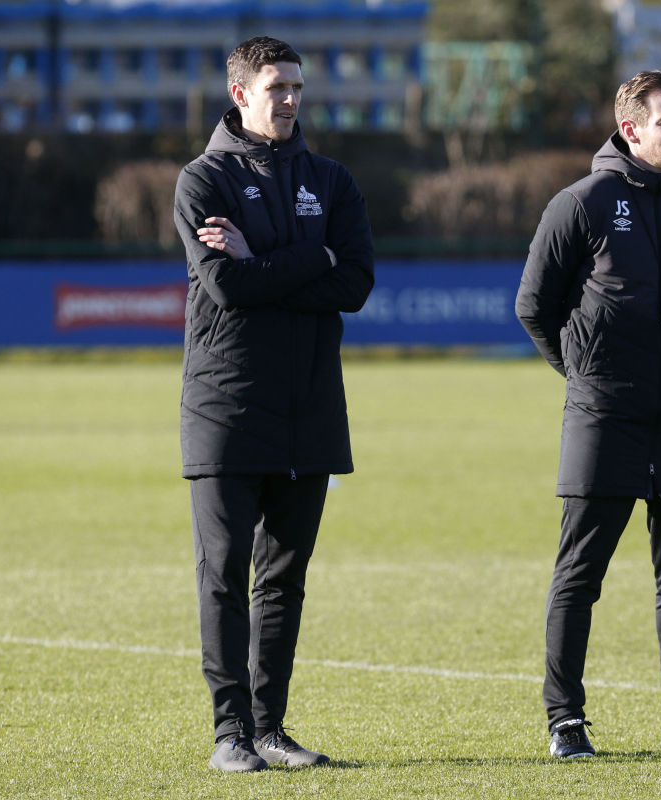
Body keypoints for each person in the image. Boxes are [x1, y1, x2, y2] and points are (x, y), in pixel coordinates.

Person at [515, 71, 661, 758]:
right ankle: (565, 720)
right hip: (604, 415)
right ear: (631, 130)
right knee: (580, 573)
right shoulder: (581, 204)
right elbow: (535, 306)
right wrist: (586, 372)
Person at [173, 36, 374, 773]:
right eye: (275, 87)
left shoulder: (333, 179)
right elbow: (229, 288)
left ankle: (270, 729)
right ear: (240, 94)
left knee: (284, 577)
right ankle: (230, 734)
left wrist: (262, 260)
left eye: (295, 86)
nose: (289, 99)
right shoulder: (202, 181)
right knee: (224, 574)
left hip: (311, 405)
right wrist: (306, 261)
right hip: (225, 407)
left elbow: (354, 281)